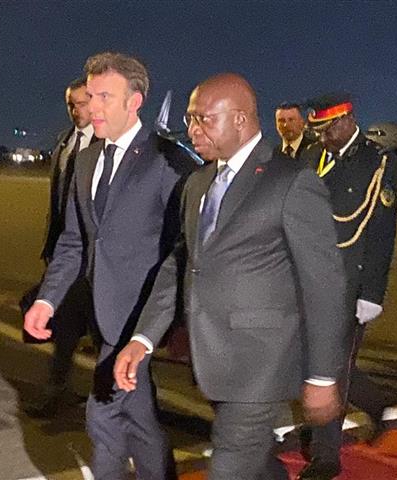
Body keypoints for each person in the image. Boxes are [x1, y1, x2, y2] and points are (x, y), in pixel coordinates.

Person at [114, 73, 349, 480]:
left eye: (203, 119)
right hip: (212, 359)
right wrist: (143, 337)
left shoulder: (290, 182)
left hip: (261, 364)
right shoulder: (198, 183)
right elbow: (181, 262)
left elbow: (324, 284)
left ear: (240, 119)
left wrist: (323, 374)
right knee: (257, 465)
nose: (193, 130)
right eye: (190, 119)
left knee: (230, 467)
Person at [24, 52, 195, 479]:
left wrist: (169, 324)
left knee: (102, 415)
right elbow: (74, 241)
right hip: (101, 314)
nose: (92, 105)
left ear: (134, 102)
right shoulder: (86, 161)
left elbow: (185, 249)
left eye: (105, 96)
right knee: (139, 419)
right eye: (90, 95)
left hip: (141, 318)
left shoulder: (167, 162)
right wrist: (47, 299)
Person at [297, 95, 397, 480]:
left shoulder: (379, 162)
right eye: (317, 131)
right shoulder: (312, 157)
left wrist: (372, 292)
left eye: (327, 129)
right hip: (309, 279)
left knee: (332, 367)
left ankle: (326, 456)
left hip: (348, 283)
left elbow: (382, 232)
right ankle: (375, 403)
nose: (321, 137)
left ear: (346, 121)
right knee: (311, 361)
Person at [24, 77, 101, 417]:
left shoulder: (105, 145)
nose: (76, 110)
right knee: (66, 327)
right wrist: (51, 246)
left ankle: (120, 404)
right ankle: (57, 391)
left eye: (82, 103)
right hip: (65, 253)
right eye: (72, 104)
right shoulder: (65, 143)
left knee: (101, 332)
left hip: (95, 259)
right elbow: (56, 201)